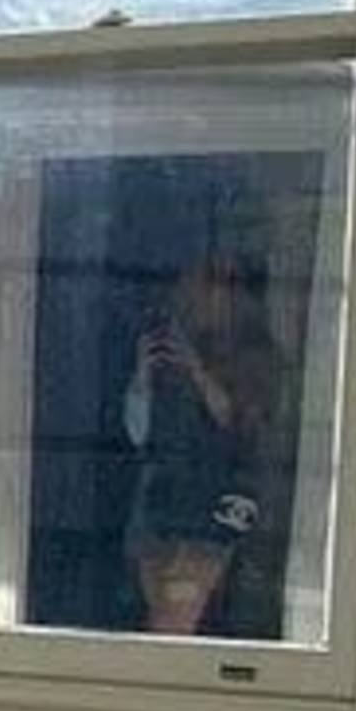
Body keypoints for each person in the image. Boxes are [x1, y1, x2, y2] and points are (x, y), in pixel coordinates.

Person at [122, 244, 289, 638]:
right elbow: (136, 434)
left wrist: (196, 369)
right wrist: (143, 376)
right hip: (162, 500)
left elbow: (239, 423)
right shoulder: (179, 342)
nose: (201, 293)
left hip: (218, 503)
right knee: (160, 621)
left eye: (217, 282)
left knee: (178, 622)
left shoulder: (257, 357)